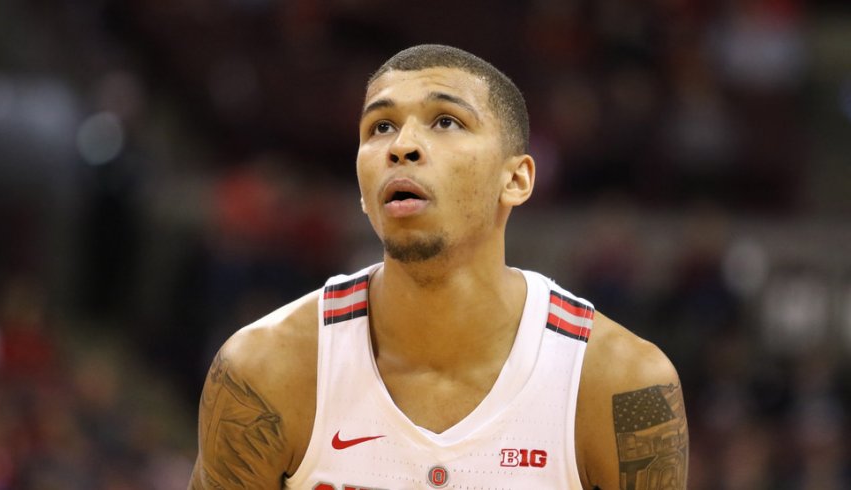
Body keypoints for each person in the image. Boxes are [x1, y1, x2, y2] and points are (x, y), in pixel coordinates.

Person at [189, 44, 688, 489]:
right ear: (364, 192)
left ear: (515, 179)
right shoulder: (264, 369)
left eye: (446, 121)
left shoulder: (624, 383)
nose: (400, 146)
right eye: (380, 127)